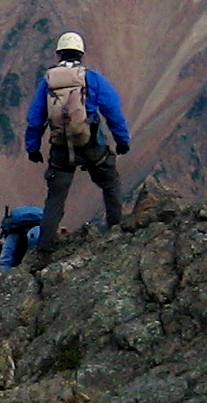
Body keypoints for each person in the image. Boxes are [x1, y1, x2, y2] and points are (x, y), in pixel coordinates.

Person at [23, 31, 130, 257]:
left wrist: (32, 148)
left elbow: (35, 118)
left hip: (61, 148)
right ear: (81, 54)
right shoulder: (92, 79)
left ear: (59, 53)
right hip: (92, 145)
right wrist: (122, 141)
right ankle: (117, 233)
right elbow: (113, 111)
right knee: (110, 184)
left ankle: (44, 248)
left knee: (55, 198)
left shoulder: (49, 82)